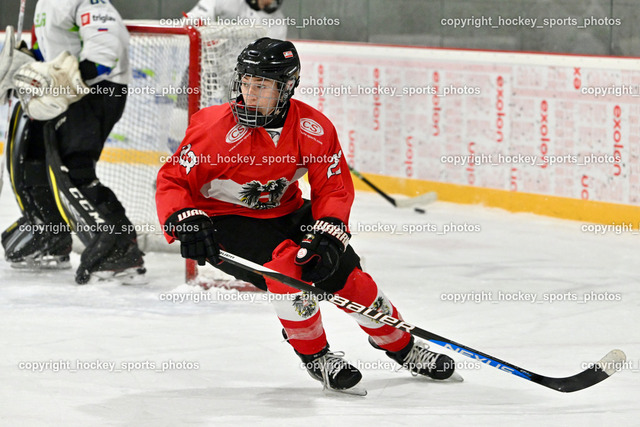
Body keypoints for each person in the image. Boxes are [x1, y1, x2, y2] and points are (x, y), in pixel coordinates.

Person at [155, 38, 456, 393]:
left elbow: (333, 188)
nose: (250, 94)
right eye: (247, 83)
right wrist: (184, 219)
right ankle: (317, 356)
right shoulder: (213, 128)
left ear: (287, 87)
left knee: (351, 279)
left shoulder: (314, 128)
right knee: (286, 269)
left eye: (262, 85)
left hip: (287, 212)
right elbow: (173, 179)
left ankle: (404, 347)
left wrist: (327, 231)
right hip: (226, 220)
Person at [0, 0, 145, 284]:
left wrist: (70, 76)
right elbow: (49, 51)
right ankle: (50, 231)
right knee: (31, 155)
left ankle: (119, 250)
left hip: (98, 91)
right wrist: (24, 63)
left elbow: (107, 48)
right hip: (67, 93)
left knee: (74, 169)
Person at [186, 0, 288, 39]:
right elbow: (192, 18)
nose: (270, 2)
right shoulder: (229, 2)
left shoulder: (278, 23)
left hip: (244, 70)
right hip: (211, 60)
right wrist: (206, 33)